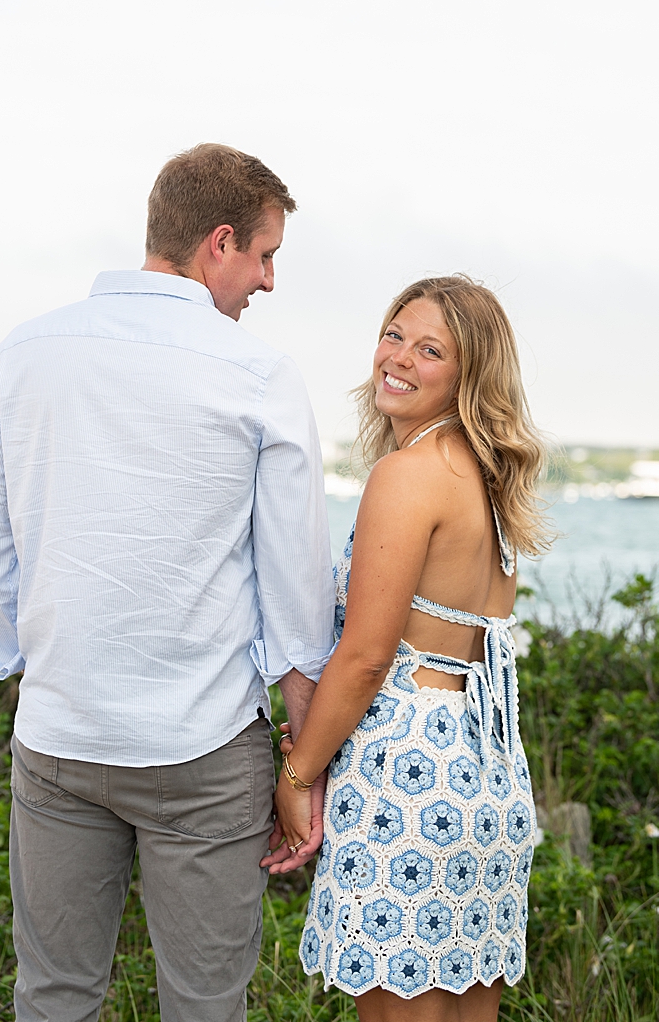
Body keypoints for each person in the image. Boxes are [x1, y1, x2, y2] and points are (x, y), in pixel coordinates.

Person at [0, 143, 336, 1022]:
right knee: (204, 1003)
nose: (269, 283)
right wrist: (300, 763)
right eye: (267, 256)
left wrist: (32, 665)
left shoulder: (22, 353)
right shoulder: (259, 374)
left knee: (53, 995)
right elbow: (296, 596)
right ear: (220, 242)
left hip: (58, 739)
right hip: (205, 750)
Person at [273, 276, 550, 1019]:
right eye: (394, 334)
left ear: (467, 374)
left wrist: (298, 774)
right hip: (483, 772)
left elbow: (366, 657)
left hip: (406, 771)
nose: (398, 357)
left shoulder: (409, 476)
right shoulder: (487, 480)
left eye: (431, 349)